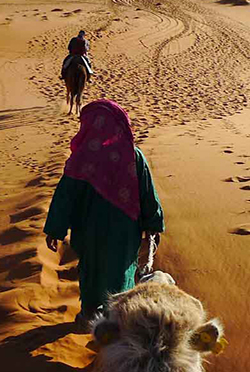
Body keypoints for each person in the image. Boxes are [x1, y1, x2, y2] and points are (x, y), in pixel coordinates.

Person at [44, 100, 164, 327]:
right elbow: (148, 193)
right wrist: (153, 224)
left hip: (89, 233)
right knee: (120, 275)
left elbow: (65, 197)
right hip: (124, 232)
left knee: (91, 273)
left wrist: (55, 229)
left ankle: (89, 314)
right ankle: (117, 321)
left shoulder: (80, 159)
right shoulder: (134, 156)